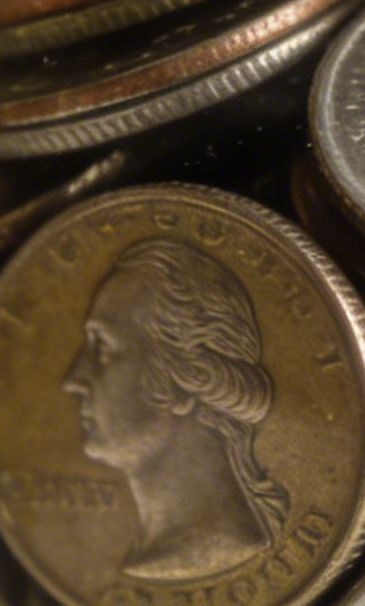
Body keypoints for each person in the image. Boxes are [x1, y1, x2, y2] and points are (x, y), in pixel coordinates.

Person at [61, 236, 291, 580]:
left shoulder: (229, 547)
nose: (72, 380)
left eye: (103, 347)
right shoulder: (142, 556)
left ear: (186, 376)